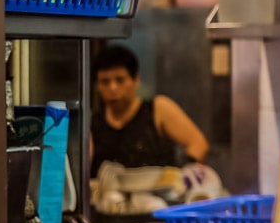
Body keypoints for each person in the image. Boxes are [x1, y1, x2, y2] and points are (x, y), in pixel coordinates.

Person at [89, 44, 209, 178]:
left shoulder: (158, 109)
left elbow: (198, 144)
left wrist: (180, 176)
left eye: (120, 80)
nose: (113, 88)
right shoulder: (91, 122)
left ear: (136, 80)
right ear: (97, 86)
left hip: (160, 195)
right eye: (105, 82)